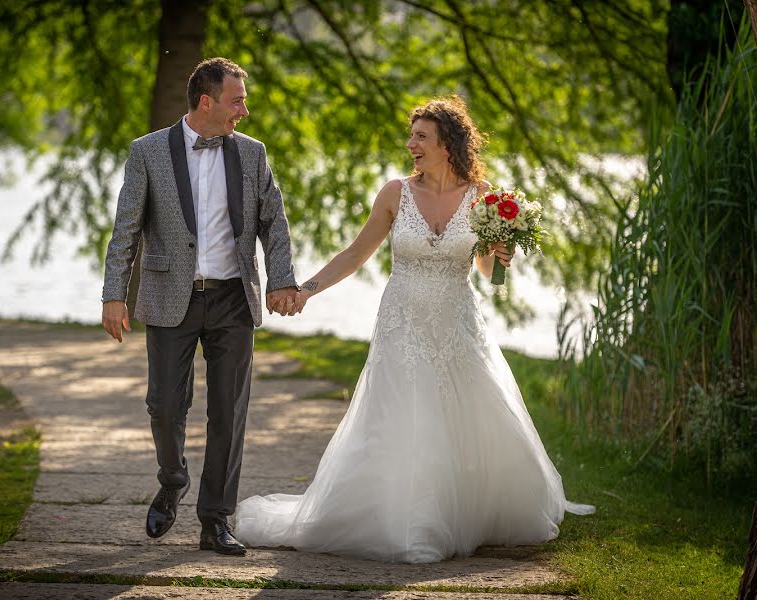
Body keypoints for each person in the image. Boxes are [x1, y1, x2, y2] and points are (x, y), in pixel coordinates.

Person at [235, 95, 594, 563]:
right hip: (402, 322)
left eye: (421, 137)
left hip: (456, 322)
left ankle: (466, 512)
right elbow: (354, 253)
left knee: (466, 415)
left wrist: (500, 252)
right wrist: (305, 290)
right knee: (407, 415)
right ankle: (413, 522)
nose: (411, 145)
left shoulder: (483, 196)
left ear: (448, 143)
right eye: (412, 136)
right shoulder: (394, 193)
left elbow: (485, 268)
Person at [101, 57, 300, 556]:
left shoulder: (253, 155)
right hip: (171, 296)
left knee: (229, 414)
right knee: (165, 406)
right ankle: (172, 480)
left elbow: (273, 222)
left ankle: (216, 519)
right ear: (206, 101)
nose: (244, 111)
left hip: (234, 297)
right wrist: (113, 294)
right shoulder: (147, 152)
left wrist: (281, 280)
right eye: (237, 101)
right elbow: (126, 228)